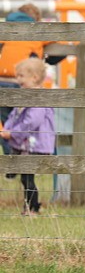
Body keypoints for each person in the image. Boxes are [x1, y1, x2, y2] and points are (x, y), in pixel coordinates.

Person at [0, 57, 56, 216]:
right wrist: (7, 129)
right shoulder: (25, 96)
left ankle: (33, 208)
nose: (18, 80)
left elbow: (31, 122)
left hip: (35, 145)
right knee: (26, 177)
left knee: (27, 177)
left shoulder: (38, 98)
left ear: (35, 77)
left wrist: (13, 133)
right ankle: (29, 207)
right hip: (26, 144)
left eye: (21, 76)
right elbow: (14, 116)